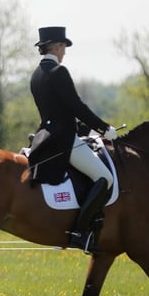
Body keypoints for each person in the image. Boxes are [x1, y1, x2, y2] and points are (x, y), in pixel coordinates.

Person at [28, 26, 118, 253]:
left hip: (45, 136)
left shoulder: (36, 74)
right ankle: (80, 232)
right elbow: (76, 106)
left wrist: (83, 128)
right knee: (105, 177)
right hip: (63, 141)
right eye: (64, 47)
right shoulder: (59, 72)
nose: (65, 52)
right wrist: (104, 128)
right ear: (57, 46)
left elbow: (57, 111)